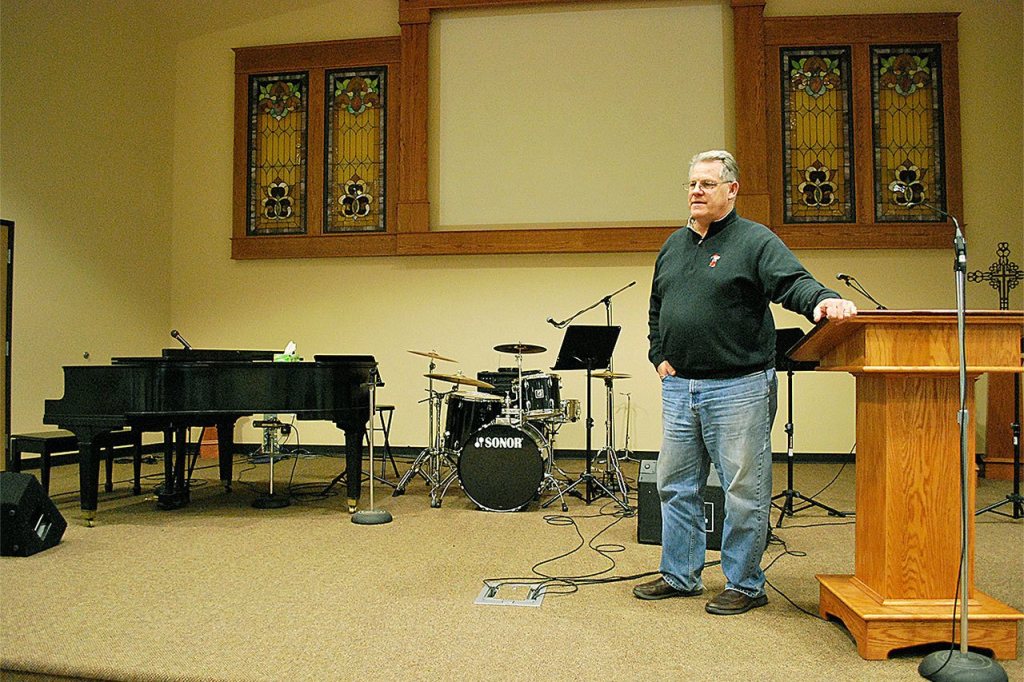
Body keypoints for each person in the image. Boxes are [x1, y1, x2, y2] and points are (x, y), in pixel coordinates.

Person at [634, 150, 857, 615]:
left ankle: (745, 583)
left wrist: (823, 301)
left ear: (731, 190)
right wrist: (659, 356)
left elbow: (793, 283)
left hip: (739, 388)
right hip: (680, 388)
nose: (696, 192)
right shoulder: (673, 245)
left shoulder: (755, 241)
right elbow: (657, 307)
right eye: (692, 184)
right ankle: (680, 574)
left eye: (707, 185)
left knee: (743, 491)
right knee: (675, 487)